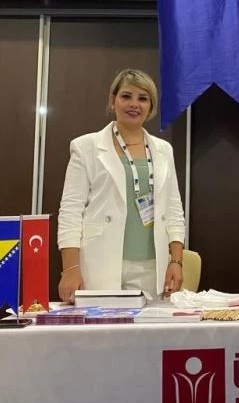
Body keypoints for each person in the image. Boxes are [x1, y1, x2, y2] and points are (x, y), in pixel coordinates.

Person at [57, 69, 185, 302]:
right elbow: (70, 211)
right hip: (100, 262)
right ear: (112, 100)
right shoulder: (85, 147)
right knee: (102, 325)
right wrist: (70, 269)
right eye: (126, 96)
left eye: (143, 98)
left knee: (149, 326)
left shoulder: (163, 150)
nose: (134, 104)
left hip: (152, 267)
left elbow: (174, 209)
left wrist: (176, 260)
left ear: (151, 107)